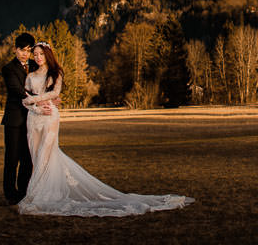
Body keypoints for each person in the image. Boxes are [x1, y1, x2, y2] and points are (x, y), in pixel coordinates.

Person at [17, 41, 194, 217]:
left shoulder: (55, 73)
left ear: (48, 55)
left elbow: (55, 93)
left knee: (45, 155)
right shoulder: (30, 76)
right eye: (36, 54)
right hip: (34, 118)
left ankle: (39, 195)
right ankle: (40, 192)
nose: (38, 57)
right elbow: (24, 100)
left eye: (41, 54)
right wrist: (37, 106)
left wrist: (36, 99)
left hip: (50, 118)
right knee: (35, 155)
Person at [1, 32, 42, 205]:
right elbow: (17, 90)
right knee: (12, 158)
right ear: (15, 49)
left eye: (28, 50)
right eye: (21, 50)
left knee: (27, 158)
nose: (24, 54)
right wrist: (39, 98)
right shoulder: (9, 69)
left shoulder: (35, 65)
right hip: (14, 120)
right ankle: (11, 194)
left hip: (32, 119)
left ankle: (24, 191)